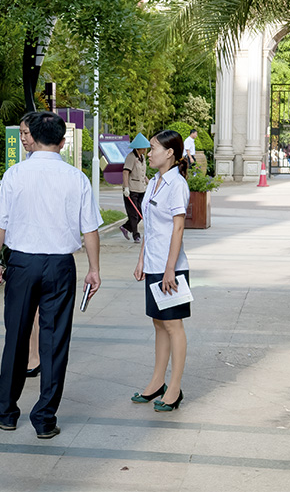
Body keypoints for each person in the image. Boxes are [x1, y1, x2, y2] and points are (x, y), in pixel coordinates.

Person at [0, 111, 102, 439]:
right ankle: (45, 418)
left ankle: (7, 413)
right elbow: (90, 229)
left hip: (22, 265)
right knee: (54, 341)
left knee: (17, 338)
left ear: (32, 139)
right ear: (63, 143)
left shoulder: (15, 175)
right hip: (62, 265)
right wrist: (94, 269)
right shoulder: (76, 178)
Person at [131, 129, 190, 412]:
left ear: (170, 153)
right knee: (158, 322)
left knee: (173, 325)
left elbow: (178, 227)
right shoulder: (155, 181)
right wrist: (142, 259)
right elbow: (151, 227)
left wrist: (170, 270)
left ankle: (174, 389)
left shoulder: (176, 184)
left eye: (153, 148)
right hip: (154, 263)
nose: (149, 152)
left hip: (171, 268)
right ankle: (157, 382)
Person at [19, 114, 42, 379]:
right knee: (31, 310)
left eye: (27, 133)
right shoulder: (24, 165)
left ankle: (34, 356)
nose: (23, 138)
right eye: (22, 133)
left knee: (36, 309)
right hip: (25, 245)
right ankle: (32, 354)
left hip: (39, 248)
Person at [120, 133, 150, 244]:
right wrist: (126, 187)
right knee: (133, 214)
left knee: (141, 212)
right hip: (131, 190)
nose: (146, 149)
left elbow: (143, 173)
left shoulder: (142, 158)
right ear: (139, 147)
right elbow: (125, 172)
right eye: (144, 147)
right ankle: (136, 235)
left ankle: (126, 227)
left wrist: (149, 182)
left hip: (141, 189)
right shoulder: (131, 157)